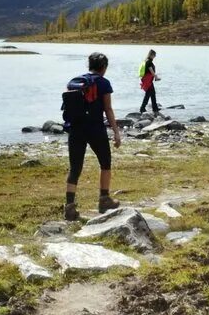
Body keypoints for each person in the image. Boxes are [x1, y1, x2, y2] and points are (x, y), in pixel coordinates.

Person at [61, 51, 123, 221]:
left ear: (89, 66)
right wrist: (116, 132)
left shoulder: (73, 82)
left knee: (75, 168)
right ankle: (104, 199)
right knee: (105, 163)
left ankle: (69, 207)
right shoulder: (103, 83)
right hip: (95, 129)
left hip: (75, 130)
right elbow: (108, 109)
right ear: (103, 67)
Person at [138, 49, 161, 115]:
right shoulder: (149, 62)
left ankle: (154, 108)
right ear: (151, 55)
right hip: (148, 80)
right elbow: (151, 70)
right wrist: (156, 77)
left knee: (152, 93)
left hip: (147, 80)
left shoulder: (146, 61)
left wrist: (155, 78)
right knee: (148, 94)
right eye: (154, 55)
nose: (155, 56)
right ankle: (142, 108)